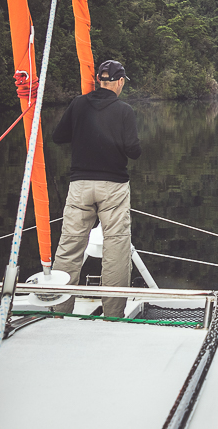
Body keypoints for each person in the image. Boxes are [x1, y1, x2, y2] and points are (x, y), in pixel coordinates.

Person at [51, 59, 141, 317]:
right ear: (120, 81)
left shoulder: (79, 104)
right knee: (116, 248)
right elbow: (134, 151)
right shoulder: (124, 110)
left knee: (69, 248)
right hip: (113, 188)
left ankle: (60, 312)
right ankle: (113, 315)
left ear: (100, 80)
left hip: (80, 186)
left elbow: (58, 137)